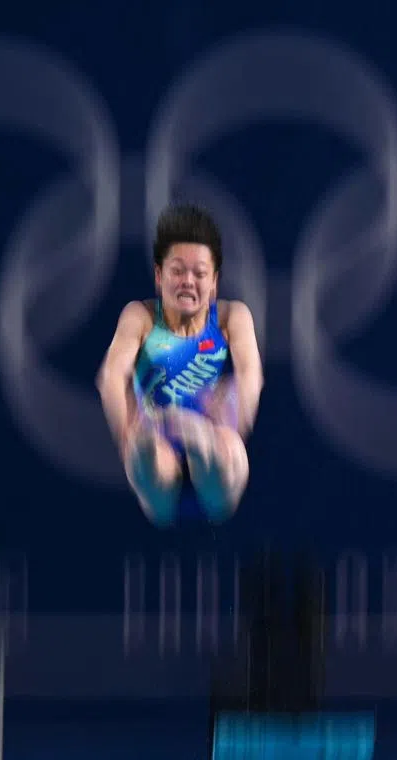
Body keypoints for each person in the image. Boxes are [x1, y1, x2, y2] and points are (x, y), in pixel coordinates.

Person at [97, 204, 263, 526]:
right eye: (177, 271)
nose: (188, 281)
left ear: (214, 282)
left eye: (199, 274)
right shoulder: (141, 317)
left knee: (227, 449)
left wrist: (236, 417)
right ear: (159, 276)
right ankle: (165, 441)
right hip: (159, 451)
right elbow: (112, 376)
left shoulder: (232, 317)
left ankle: (198, 440)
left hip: (215, 455)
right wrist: (126, 434)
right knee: (146, 456)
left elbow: (250, 375)